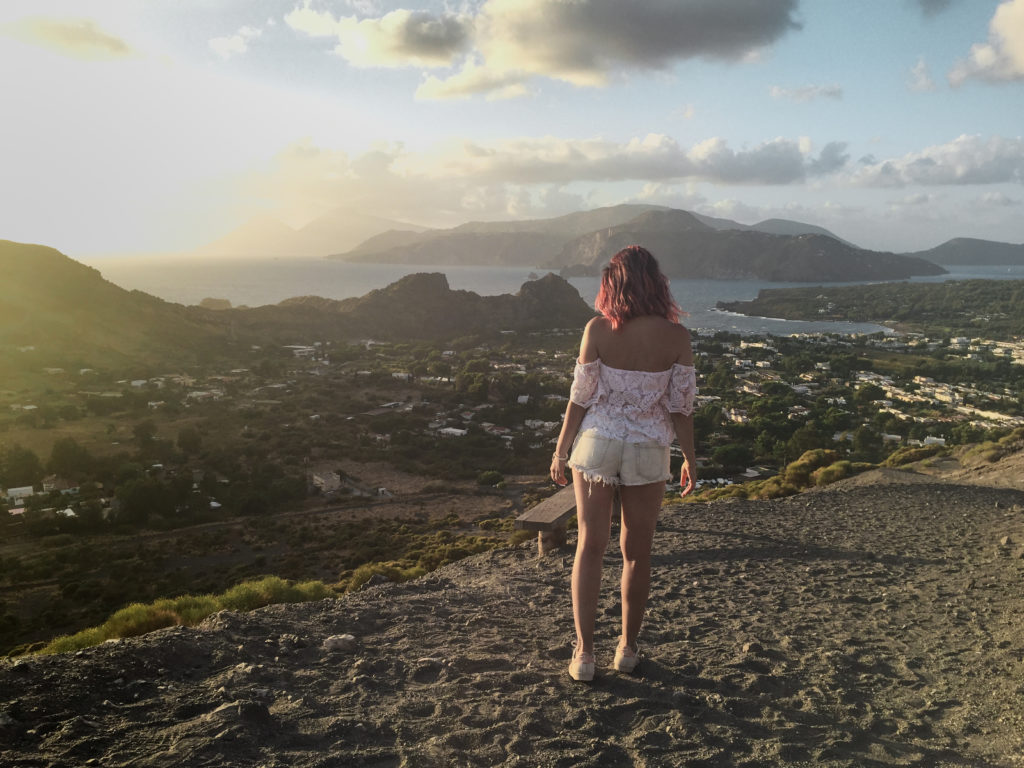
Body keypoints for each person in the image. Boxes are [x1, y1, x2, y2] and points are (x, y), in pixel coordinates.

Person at [550, 245, 697, 682]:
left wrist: (560, 451)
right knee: (637, 553)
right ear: (656, 283)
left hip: (597, 442)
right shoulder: (677, 337)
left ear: (611, 284)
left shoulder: (597, 328)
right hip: (649, 447)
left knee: (589, 546)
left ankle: (584, 653)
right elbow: (680, 408)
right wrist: (690, 457)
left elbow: (580, 397)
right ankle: (628, 650)